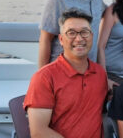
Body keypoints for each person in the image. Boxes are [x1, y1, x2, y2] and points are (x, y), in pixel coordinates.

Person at [24, 9, 108, 138]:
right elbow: (39, 132)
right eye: (71, 33)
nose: (79, 39)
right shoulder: (44, 77)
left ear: (92, 36)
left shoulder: (100, 74)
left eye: (84, 32)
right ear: (61, 39)